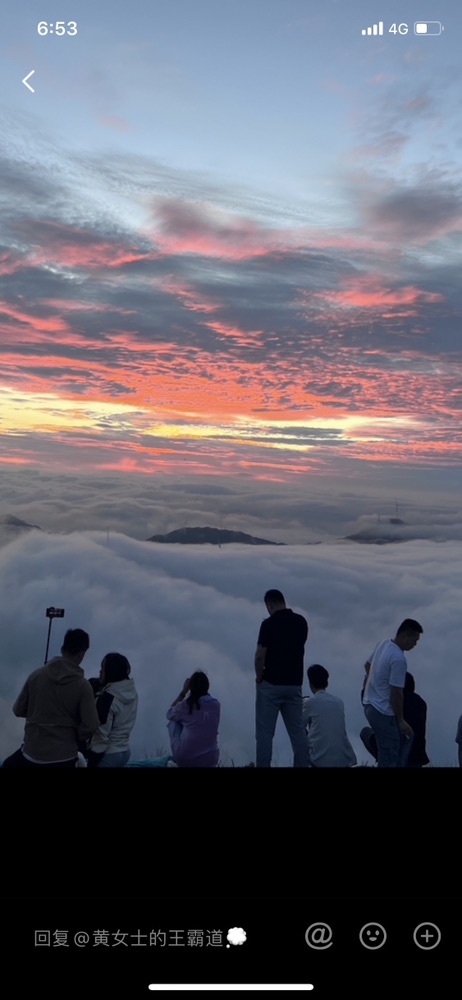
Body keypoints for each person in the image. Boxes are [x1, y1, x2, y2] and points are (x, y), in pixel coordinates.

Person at [2, 628, 99, 768]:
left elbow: (18, 710)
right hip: (64, 756)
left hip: (31, 754)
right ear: (81, 654)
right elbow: (91, 725)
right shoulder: (83, 686)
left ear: (62, 649)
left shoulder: (36, 675)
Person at [254, 589, 310, 768]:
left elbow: (260, 656)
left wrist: (259, 677)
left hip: (271, 684)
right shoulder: (301, 622)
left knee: (265, 733)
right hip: (294, 684)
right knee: (298, 733)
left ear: (269, 604)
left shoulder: (268, 625)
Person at [362, 618, 423, 768]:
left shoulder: (383, 644)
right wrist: (401, 720)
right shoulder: (398, 659)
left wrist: (371, 686)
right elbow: (397, 693)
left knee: (395, 744)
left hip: (369, 704)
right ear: (404, 636)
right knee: (390, 754)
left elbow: (367, 665)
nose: (415, 645)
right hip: (383, 711)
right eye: (414, 640)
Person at [360, 672, 430, 767]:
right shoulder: (421, 703)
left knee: (365, 732)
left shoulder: (392, 701)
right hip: (417, 757)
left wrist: (366, 685)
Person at [86, 653, 138, 768]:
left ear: (111, 672)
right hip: (124, 750)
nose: (100, 672)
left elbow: (101, 736)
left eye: (102, 668)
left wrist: (92, 763)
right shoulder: (131, 691)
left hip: (108, 754)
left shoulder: (107, 698)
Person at [302, 664, 357, 767]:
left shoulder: (309, 703)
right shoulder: (339, 702)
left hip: (319, 760)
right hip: (343, 759)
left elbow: (299, 726)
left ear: (311, 684)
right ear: (326, 682)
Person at [166, 671, 220, 768]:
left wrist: (183, 692)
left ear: (191, 687)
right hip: (211, 760)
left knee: (174, 721)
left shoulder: (186, 705)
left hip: (185, 760)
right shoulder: (216, 705)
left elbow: (169, 713)